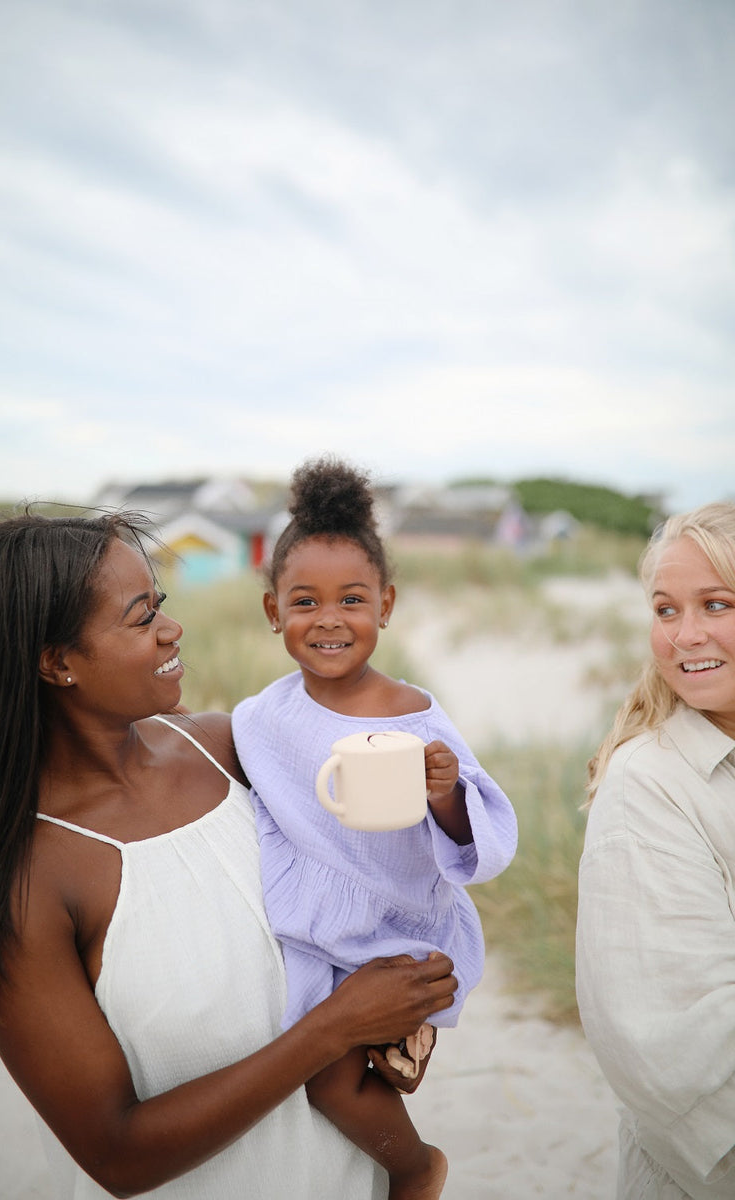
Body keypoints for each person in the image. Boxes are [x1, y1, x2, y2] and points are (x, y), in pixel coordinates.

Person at [0, 510, 461, 1200]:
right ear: (58, 663)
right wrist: (336, 1027)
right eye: (139, 616)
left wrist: (402, 1004)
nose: (170, 627)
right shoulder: (23, 880)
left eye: (162, 604)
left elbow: (372, 867)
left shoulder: (228, 751)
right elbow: (117, 1155)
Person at [232, 457, 518, 1200]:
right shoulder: (263, 717)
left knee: (330, 1081)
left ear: (385, 605)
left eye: (352, 599)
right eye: (305, 601)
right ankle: (392, 1050)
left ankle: (415, 1169)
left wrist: (446, 792)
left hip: (395, 916)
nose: (329, 618)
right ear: (273, 613)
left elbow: (476, 832)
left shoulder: (417, 713)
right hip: (308, 920)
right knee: (281, 1049)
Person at [576, 501, 735, 1200]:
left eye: (716, 604)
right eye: (667, 610)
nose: (686, 635)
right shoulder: (649, 786)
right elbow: (670, 1058)